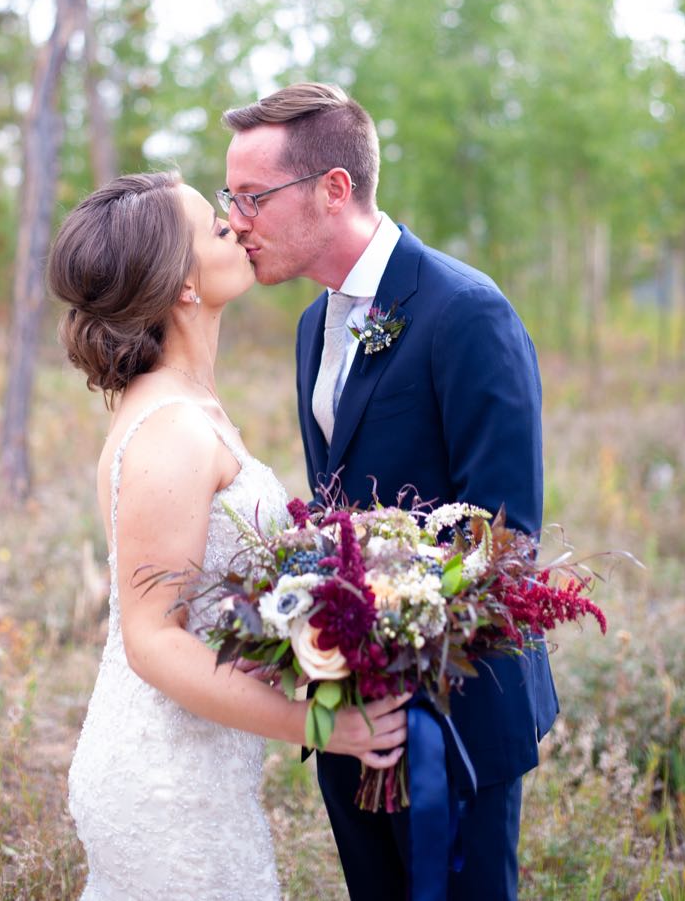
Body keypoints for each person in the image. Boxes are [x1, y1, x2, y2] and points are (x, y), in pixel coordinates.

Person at [220, 83, 559, 901]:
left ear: (334, 189)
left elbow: (505, 533)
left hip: (457, 712)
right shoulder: (313, 325)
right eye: (230, 197)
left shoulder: (467, 311)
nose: (235, 220)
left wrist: (400, 630)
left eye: (253, 197)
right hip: (345, 706)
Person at [46, 171, 409, 901]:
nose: (238, 225)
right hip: (168, 785)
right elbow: (153, 638)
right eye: (217, 226)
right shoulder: (171, 429)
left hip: (201, 770)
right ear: (183, 285)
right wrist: (323, 725)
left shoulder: (189, 401)